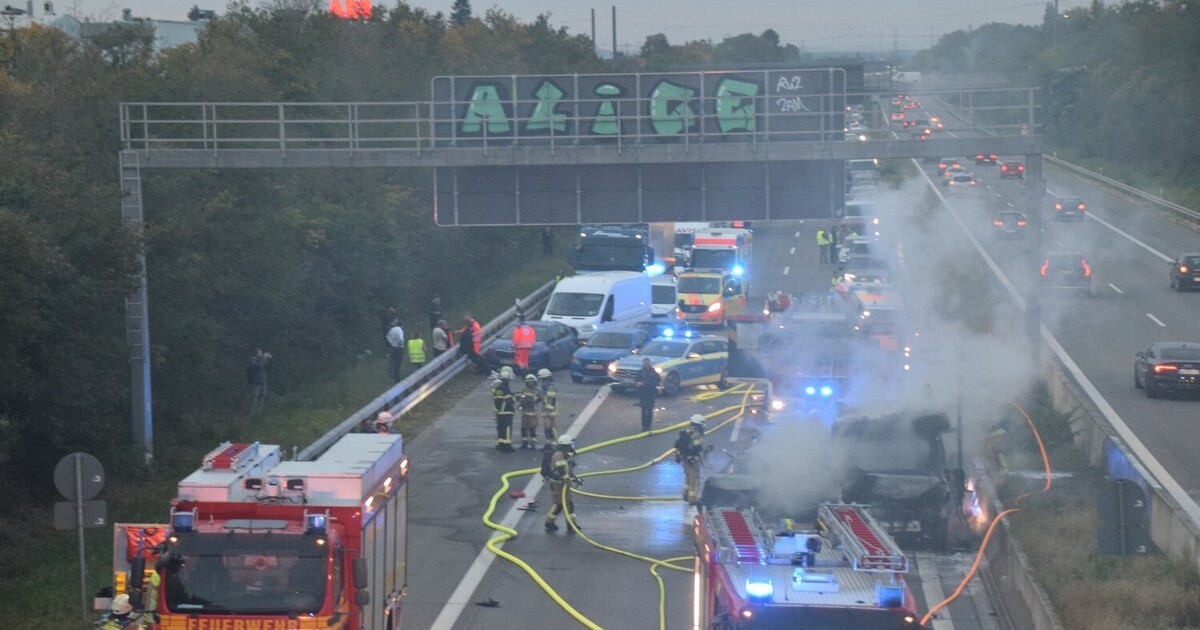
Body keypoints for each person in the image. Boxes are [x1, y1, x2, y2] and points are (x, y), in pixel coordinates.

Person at [544, 434, 581, 532]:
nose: (571, 447)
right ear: (565, 445)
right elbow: (561, 469)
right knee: (560, 504)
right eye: (570, 445)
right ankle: (552, 523)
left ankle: (569, 524)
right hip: (558, 484)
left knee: (567, 504)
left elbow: (568, 470)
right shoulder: (559, 455)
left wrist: (575, 479)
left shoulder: (565, 455)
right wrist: (566, 479)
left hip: (564, 484)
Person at [675, 414, 708, 504]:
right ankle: (692, 499)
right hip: (692, 460)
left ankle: (685, 495)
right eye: (703, 424)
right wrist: (706, 450)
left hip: (685, 459)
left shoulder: (686, 432)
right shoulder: (696, 434)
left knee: (688, 477)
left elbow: (678, 445)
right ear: (698, 424)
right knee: (694, 479)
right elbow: (697, 448)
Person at [491, 368, 516, 452]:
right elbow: (510, 400)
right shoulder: (505, 388)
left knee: (501, 428)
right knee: (507, 428)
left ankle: (501, 443)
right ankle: (507, 445)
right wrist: (517, 398)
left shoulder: (498, 388)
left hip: (499, 411)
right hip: (506, 411)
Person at [635, 357, 661, 432]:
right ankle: (644, 426)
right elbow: (636, 381)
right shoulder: (640, 372)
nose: (646, 365)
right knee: (644, 409)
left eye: (648, 364)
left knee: (650, 410)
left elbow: (659, 380)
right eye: (645, 364)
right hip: (643, 393)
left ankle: (649, 426)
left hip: (651, 393)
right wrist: (639, 384)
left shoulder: (653, 372)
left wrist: (659, 388)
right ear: (643, 364)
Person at [517, 373, 542, 449]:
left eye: (532, 381)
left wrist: (530, 398)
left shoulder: (537, 390)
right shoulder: (524, 390)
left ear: (534, 382)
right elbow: (521, 398)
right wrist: (521, 400)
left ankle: (533, 443)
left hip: (532, 412)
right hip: (524, 411)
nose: (530, 383)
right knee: (523, 428)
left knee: (532, 428)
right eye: (529, 381)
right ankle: (524, 442)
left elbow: (537, 398)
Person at [247, 348, 273, 418]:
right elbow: (258, 367)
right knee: (255, 399)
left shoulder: (262, 361)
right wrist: (264, 359)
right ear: (256, 354)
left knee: (262, 398)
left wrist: (270, 359)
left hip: (263, 383)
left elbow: (270, 366)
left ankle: (259, 414)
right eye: (260, 353)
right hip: (256, 384)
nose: (262, 354)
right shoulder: (253, 361)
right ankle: (251, 415)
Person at [538, 368, 559, 443]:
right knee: (547, 427)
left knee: (549, 427)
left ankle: (554, 443)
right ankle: (549, 443)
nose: (541, 381)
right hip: (547, 410)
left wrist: (548, 410)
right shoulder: (546, 386)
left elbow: (551, 400)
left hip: (549, 411)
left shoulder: (550, 387)